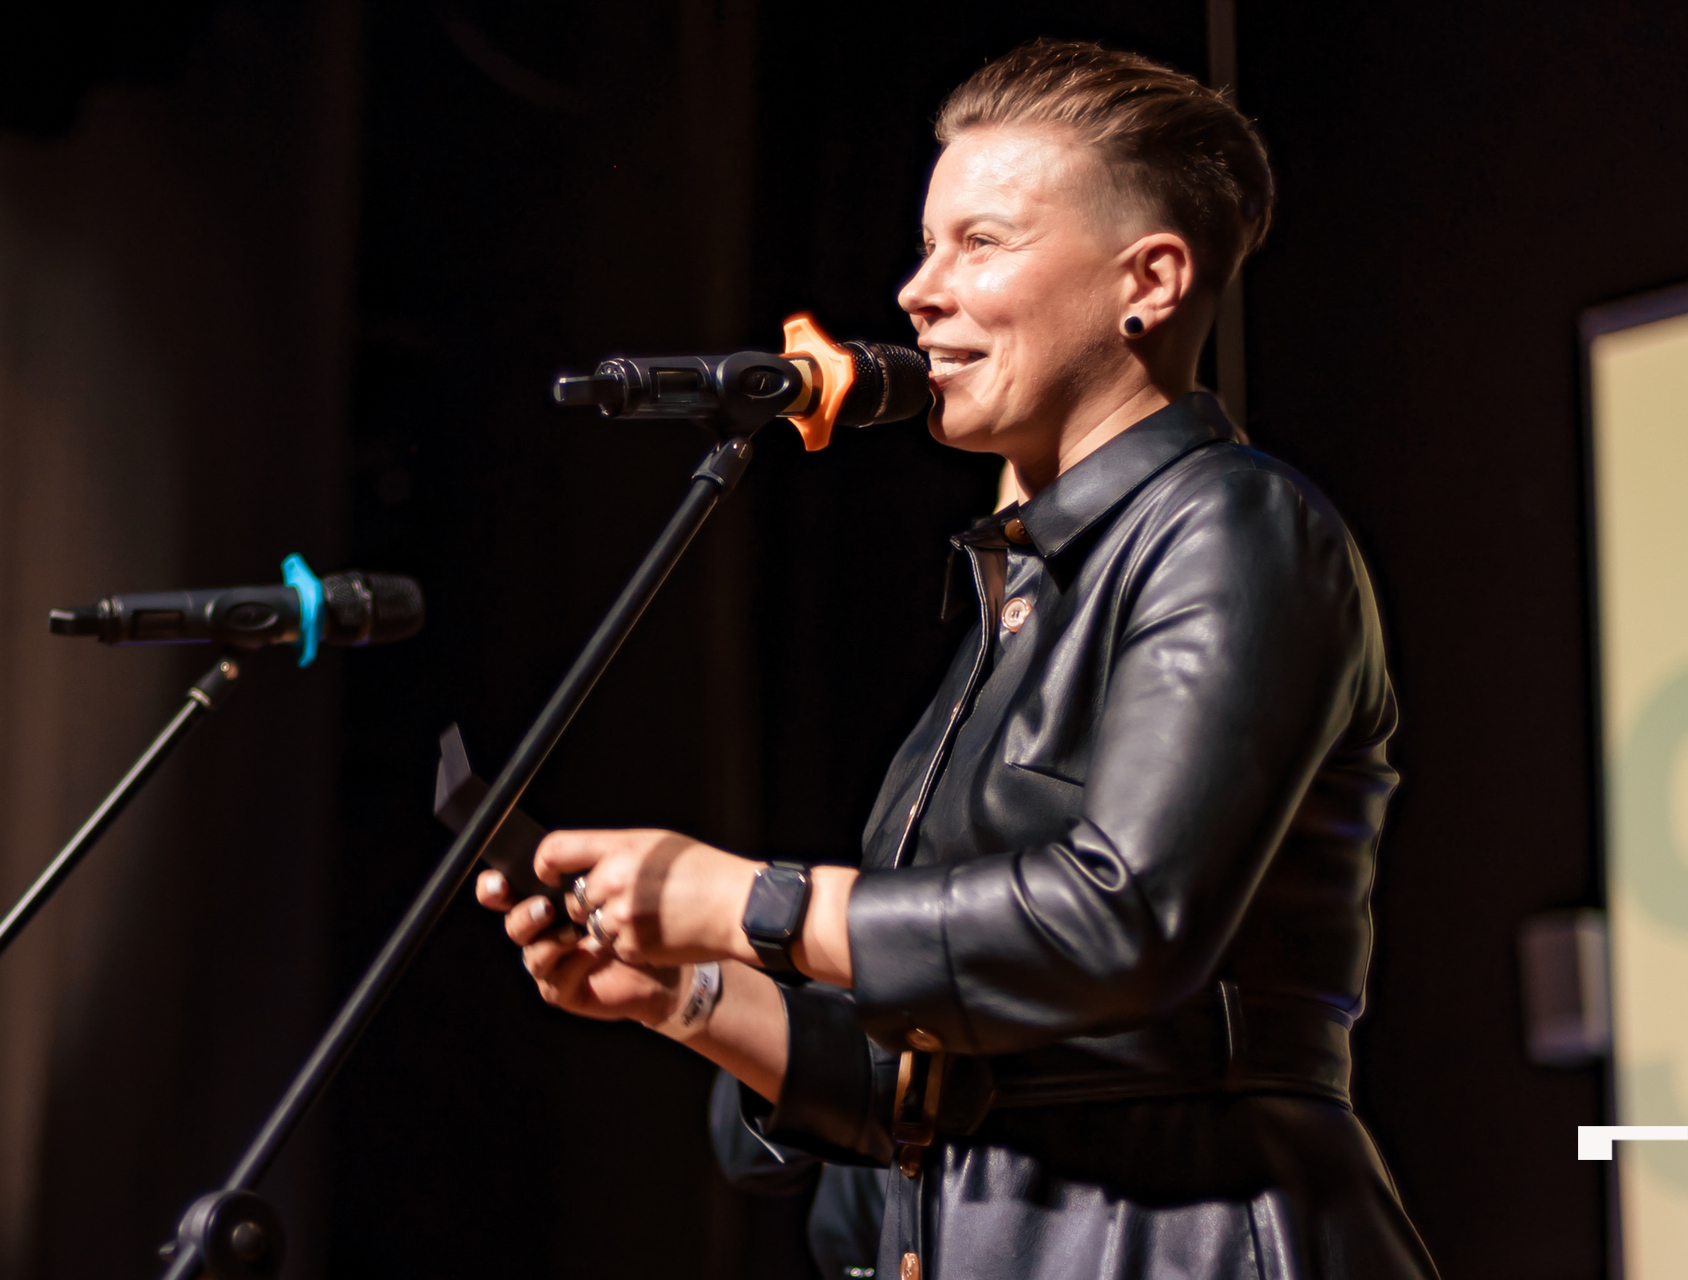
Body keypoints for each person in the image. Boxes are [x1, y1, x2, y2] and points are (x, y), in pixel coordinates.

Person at [477, 38, 1438, 1279]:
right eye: (928, 246)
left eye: (979, 242)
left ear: (1149, 280)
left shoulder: (1232, 527)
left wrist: (755, 902)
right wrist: (688, 991)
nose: (918, 291)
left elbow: (1121, 916)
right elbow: (940, 1085)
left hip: (1186, 1239)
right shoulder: (1019, 587)